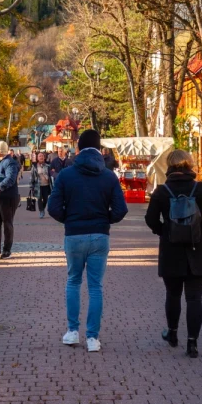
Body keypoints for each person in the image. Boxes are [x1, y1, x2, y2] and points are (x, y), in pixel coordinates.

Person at [47, 129, 128, 352]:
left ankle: (72, 332)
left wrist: (70, 220)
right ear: (100, 150)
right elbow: (121, 209)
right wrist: (104, 221)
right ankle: (93, 337)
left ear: (79, 149)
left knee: (73, 281)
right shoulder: (108, 176)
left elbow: (53, 208)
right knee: (96, 287)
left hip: (74, 234)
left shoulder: (66, 175)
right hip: (99, 235)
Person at [145, 149, 202, 359]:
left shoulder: (161, 191)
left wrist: (164, 231)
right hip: (198, 249)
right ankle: (192, 343)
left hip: (171, 250)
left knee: (173, 294)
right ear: (189, 164)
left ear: (169, 166)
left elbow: (150, 219)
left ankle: (172, 333)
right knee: (195, 298)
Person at [0, 141, 22, 259]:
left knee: (7, 223)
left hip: (8, 197)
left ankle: (6, 250)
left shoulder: (10, 162)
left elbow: (10, 179)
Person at [31, 151, 53, 218]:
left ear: (44, 157)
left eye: (42, 156)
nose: (41, 157)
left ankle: (42, 208)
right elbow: (32, 176)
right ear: (37, 158)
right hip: (38, 186)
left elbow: (51, 174)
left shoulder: (48, 165)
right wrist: (31, 186)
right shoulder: (34, 166)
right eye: (40, 156)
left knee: (46, 199)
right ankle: (41, 211)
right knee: (39, 199)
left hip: (46, 185)